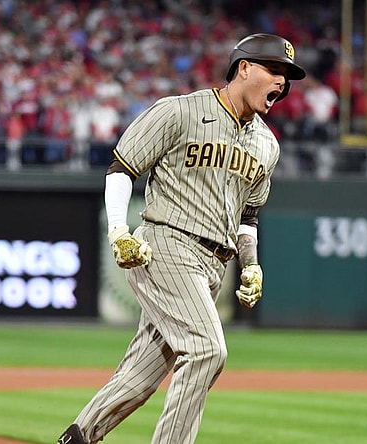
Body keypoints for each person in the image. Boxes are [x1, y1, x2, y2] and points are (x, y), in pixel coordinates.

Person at [56, 33, 306, 444]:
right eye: (274, 70)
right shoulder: (180, 111)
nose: (282, 81)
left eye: (287, 76)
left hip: (213, 266)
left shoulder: (267, 145)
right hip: (167, 245)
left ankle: (77, 437)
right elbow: (122, 168)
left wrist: (251, 264)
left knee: (139, 377)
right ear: (243, 68)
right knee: (208, 350)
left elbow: (248, 215)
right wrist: (118, 230)